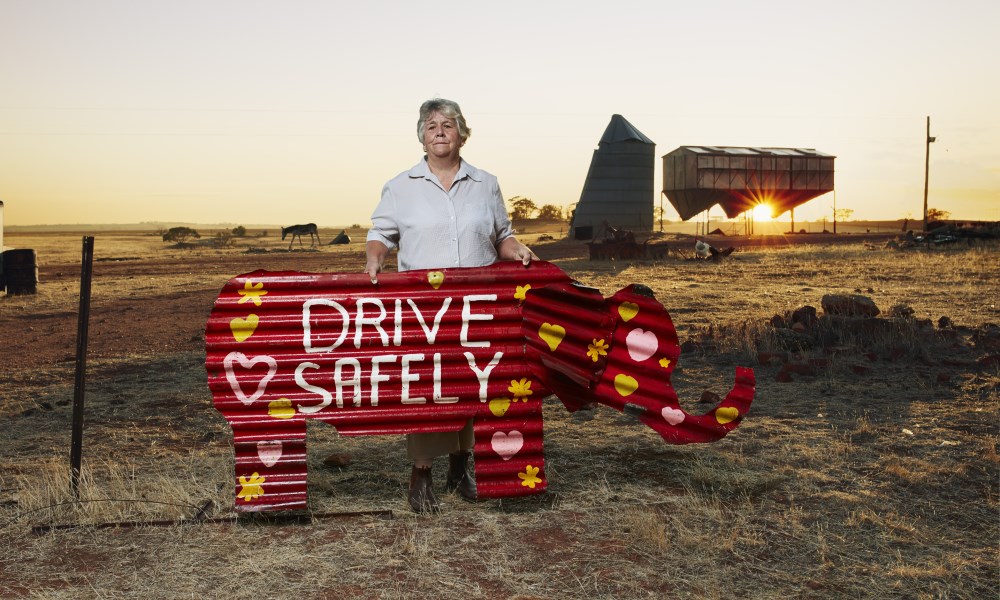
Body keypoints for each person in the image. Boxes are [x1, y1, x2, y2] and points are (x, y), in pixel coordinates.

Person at [364, 98, 537, 513]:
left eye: (448, 124)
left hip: (480, 303)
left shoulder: (485, 182)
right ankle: (421, 473)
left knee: (475, 383)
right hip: (425, 308)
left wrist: (516, 250)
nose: (439, 130)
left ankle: (461, 469)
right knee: (427, 388)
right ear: (421, 136)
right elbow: (380, 234)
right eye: (430, 125)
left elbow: (502, 235)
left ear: (462, 132)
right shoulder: (400, 185)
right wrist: (375, 257)